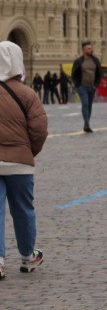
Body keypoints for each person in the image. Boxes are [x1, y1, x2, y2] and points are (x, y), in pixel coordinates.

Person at [0, 41, 48, 280]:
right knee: (24, 210)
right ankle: (28, 256)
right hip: (20, 163)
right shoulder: (28, 94)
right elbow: (39, 131)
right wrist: (28, 153)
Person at [70, 41, 102, 133]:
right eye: (88, 48)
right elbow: (73, 74)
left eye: (91, 48)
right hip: (82, 87)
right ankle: (87, 123)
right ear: (83, 50)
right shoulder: (79, 61)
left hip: (92, 87)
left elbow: (100, 74)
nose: (90, 50)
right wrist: (77, 85)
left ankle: (86, 123)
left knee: (89, 106)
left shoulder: (95, 60)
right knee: (85, 103)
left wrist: (96, 85)